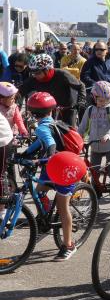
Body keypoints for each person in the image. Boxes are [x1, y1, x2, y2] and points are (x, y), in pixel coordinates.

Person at [21, 92, 76, 260]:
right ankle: (45, 218)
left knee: (62, 206)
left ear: (31, 112)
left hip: (64, 167)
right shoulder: (49, 123)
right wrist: (23, 155)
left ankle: (68, 244)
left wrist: (44, 159)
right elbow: (40, 142)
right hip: (54, 165)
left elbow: (50, 144)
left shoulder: (42, 126)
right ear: (51, 110)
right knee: (39, 191)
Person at [78, 81, 110, 210]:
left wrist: (108, 135)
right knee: (93, 172)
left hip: (109, 146)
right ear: (94, 97)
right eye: (100, 100)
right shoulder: (90, 110)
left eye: (106, 100)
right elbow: (82, 127)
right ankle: (95, 195)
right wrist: (77, 139)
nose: (103, 103)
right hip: (94, 146)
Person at [21, 53, 85, 127]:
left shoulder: (62, 75)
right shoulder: (34, 79)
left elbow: (81, 86)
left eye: (37, 73)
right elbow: (20, 91)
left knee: (69, 132)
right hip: (49, 110)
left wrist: (81, 101)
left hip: (68, 109)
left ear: (47, 70)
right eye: (32, 73)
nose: (35, 75)